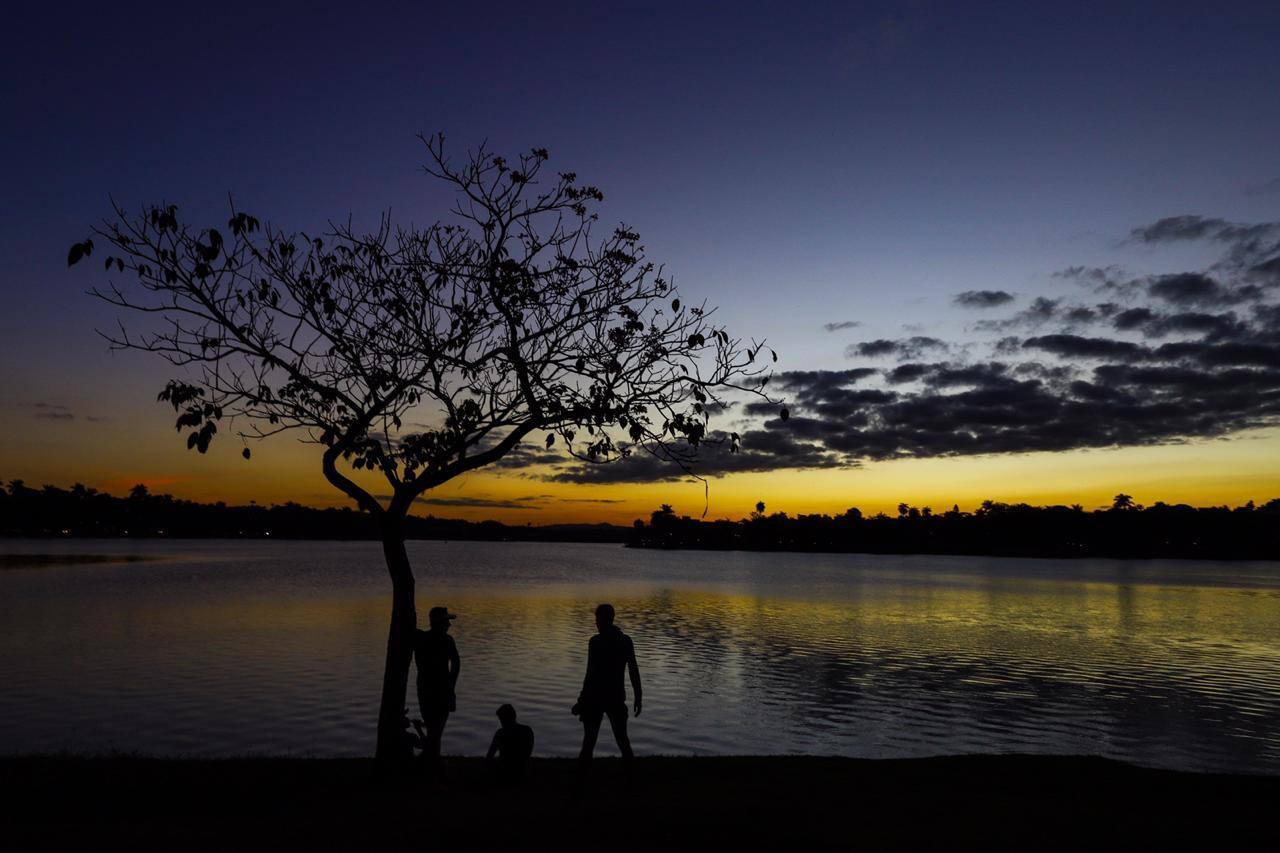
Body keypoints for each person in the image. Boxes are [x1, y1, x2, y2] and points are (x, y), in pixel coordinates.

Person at [572, 603, 642, 776]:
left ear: (602, 620)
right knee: (622, 740)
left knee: (589, 742)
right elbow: (634, 670)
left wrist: (582, 701)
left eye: (597, 619)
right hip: (616, 697)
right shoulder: (625, 641)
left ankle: (580, 780)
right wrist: (638, 695)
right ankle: (631, 777)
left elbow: (590, 675)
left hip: (596, 698)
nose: (596, 623)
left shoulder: (595, 642)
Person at [414, 605, 460, 772]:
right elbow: (456, 662)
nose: (449, 625)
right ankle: (430, 763)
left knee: (435, 728)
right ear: (438, 623)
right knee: (436, 728)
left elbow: (456, 662)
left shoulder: (421, 638)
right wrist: (451, 684)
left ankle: (432, 760)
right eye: (446, 621)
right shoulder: (444, 641)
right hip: (436, 689)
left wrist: (451, 683)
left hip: (431, 689)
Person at [485, 703, 535, 784]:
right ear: (514, 716)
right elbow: (528, 753)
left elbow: (490, 755)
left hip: (505, 772)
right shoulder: (527, 731)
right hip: (524, 772)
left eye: (501, 719)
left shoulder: (501, 733)